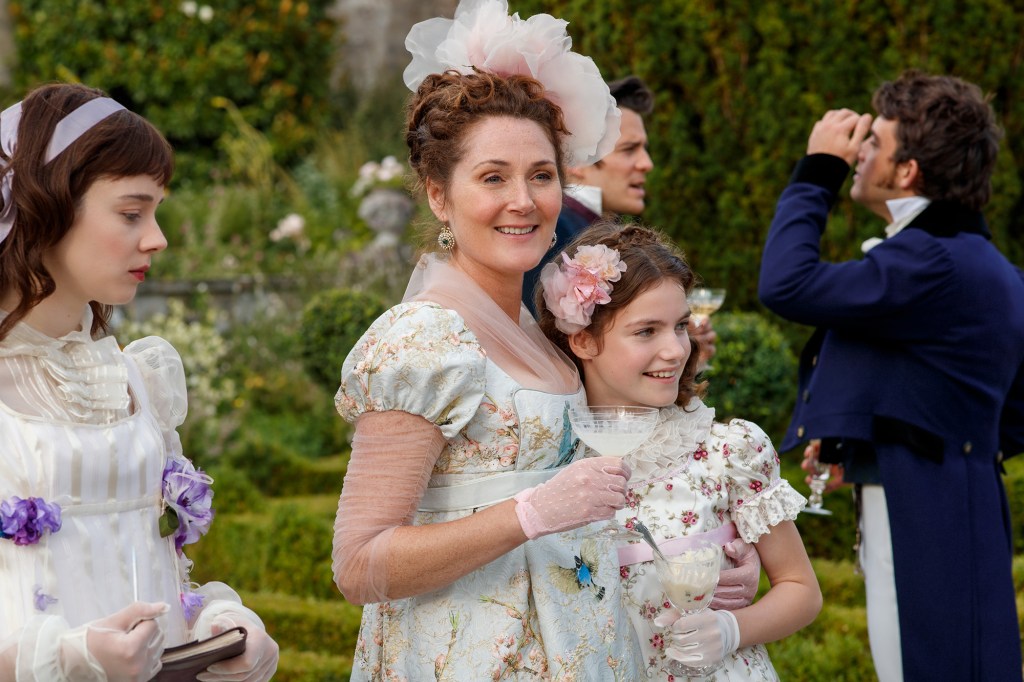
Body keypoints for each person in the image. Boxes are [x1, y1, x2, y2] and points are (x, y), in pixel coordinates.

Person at [331, 1, 645, 678]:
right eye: (493, 177)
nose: (524, 201)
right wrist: (530, 512)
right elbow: (358, 566)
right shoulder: (423, 340)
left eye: (541, 175)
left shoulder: (535, 323)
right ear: (439, 195)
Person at [0, 83, 278, 682]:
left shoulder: (138, 378)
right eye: (131, 213)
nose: (158, 238)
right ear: (46, 207)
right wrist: (71, 658)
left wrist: (218, 625)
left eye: (155, 212)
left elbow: (162, 571)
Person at [758, 70, 1024, 681]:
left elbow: (786, 283)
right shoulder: (978, 263)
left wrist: (817, 170)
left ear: (907, 171)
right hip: (954, 489)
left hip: (924, 500)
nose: (857, 152)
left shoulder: (928, 261)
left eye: (873, 141)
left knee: (924, 666)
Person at [536, 220, 822, 680]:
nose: (676, 349)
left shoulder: (729, 451)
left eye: (681, 326)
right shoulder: (542, 459)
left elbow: (801, 589)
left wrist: (733, 628)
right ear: (582, 338)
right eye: (647, 331)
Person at [522, 75, 717, 363]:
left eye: (644, 149)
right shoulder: (556, 232)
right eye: (629, 149)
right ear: (575, 160)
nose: (646, 163)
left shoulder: (600, 229)